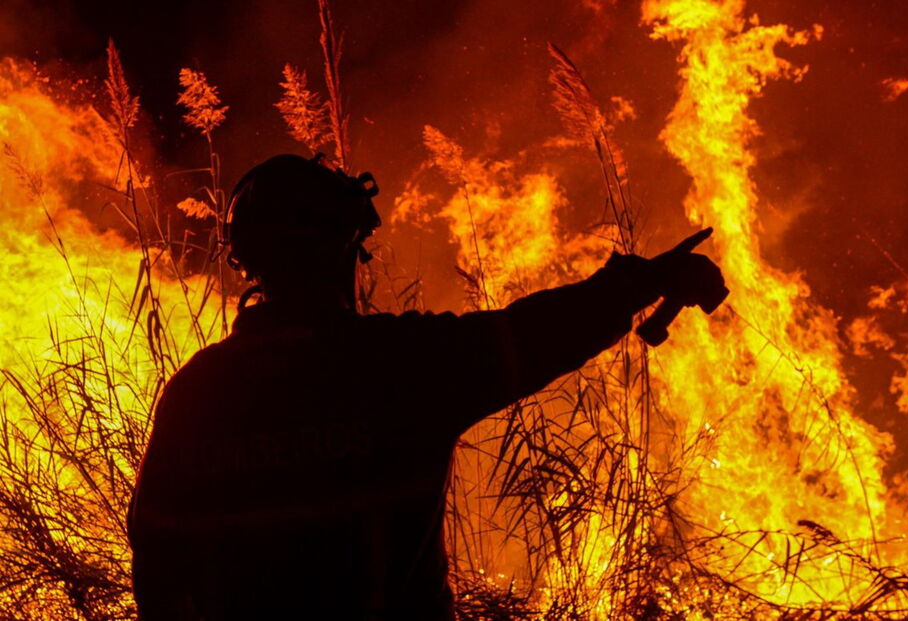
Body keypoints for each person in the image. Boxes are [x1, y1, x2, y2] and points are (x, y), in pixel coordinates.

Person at [127, 154, 727, 620]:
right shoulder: (401, 365)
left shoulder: (195, 396)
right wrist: (645, 280)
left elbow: (157, 567)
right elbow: (540, 334)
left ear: (245, 260)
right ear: (346, 246)